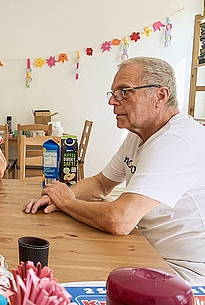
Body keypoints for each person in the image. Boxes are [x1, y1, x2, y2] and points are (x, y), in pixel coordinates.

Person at [23, 57, 205, 284]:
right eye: (112, 93)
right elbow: (101, 184)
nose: (112, 101)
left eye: (124, 92)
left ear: (160, 96)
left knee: (57, 278)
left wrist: (66, 202)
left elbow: (120, 220)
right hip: (147, 252)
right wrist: (59, 195)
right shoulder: (139, 135)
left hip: (186, 278)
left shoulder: (175, 140)